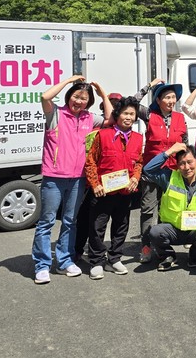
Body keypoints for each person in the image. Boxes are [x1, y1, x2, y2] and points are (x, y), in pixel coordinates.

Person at [32, 75, 112, 285]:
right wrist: (69, 81)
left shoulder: (89, 118)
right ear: (69, 96)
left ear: (89, 101)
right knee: (46, 222)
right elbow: (45, 96)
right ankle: (42, 265)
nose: (79, 101)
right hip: (54, 177)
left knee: (70, 221)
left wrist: (102, 93)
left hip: (78, 179)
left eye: (84, 98)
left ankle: (65, 261)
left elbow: (110, 119)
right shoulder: (56, 114)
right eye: (76, 96)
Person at [83, 97, 143, 280]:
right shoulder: (102, 135)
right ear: (117, 115)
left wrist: (135, 178)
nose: (129, 117)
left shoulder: (138, 138)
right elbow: (91, 162)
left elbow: (139, 162)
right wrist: (95, 184)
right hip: (103, 192)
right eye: (125, 113)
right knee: (97, 227)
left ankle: (114, 258)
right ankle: (96, 261)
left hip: (125, 192)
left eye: (132, 114)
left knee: (121, 226)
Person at [134, 80, 188, 264]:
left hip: (172, 171)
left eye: (173, 97)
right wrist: (148, 86)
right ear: (158, 100)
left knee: (169, 209)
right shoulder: (150, 115)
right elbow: (131, 103)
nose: (171, 100)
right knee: (148, 210)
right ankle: (146, 246)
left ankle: (163, 244)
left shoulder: (180, 118)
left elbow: (184, 143)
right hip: (151, 171)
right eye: (167, 97)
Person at [143, 143, 196, 271]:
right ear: (177, 165)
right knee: (154, 232)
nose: (186, 167)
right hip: (172, 230)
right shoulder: (169, 177)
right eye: (182, 163)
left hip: (195, 229)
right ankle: (168, 256)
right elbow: (148, 170)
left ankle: (194, 257)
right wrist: (168, 152)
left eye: (190, 162)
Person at [74, 91, 122, 262]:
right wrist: (102, 94)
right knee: (86, 219)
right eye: (111, 105)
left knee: (112, 221)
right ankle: (78, 250)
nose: (114, 109)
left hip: (113, 183)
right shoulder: (97, 126)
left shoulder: (123, 131)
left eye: (117, 106)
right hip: (91, 182)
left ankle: (106, 254)